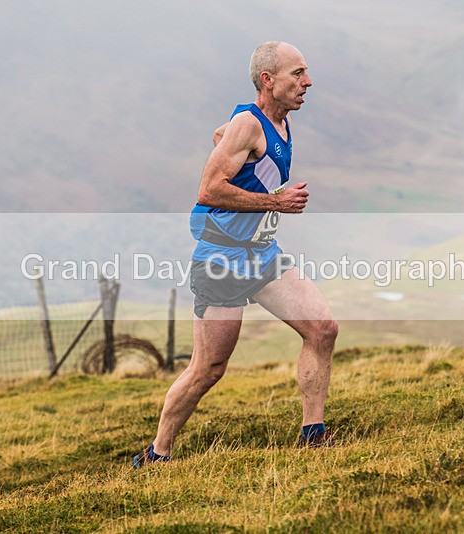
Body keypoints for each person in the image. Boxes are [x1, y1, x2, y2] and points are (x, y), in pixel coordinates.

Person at [133, 41, 338, 467]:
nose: (308, 82)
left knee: (322, 328)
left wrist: (225, 143)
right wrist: (276, 203)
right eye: (297, 74)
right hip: (222, 259)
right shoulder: (249, 122)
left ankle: (313, 437)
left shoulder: (272, 121)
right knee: (207, 369)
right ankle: (158, 453)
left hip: (263, 254)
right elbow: (209, 190)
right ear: (268, 80)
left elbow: (223, 138)